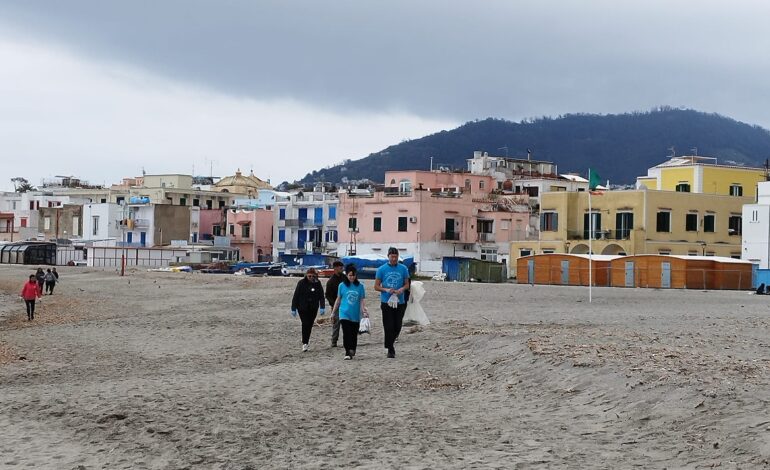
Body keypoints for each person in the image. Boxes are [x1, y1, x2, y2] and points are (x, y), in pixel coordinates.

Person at [374, 247, 410, 358]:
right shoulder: (381, 269)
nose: (394, 259)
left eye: (396, 257)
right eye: (392, 256)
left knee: (397, 325)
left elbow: (407, 284)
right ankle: (390, 348)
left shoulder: (403, 268)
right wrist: (386, 290)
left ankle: (390, 342)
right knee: (388, 325)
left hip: (400, 301)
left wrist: (402, 289)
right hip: (386, 301)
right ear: (388, 256)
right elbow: (376, 286)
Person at [331, 264, 367, 360]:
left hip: (355, 314)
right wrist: (333, 312)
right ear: (346, 275)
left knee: (353, 333)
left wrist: (364, 311)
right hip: (344, 313)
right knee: (346, 332)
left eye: (353, 275)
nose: (352, 277)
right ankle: (347, 351)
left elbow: (362, 300)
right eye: (350, 275)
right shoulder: (342, 286)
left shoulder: (360, 286)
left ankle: (352, 349)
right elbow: (338, 299)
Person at [291, 268, 326, 352]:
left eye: (312, 276)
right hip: (302, 307)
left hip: (313, 307)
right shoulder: (301, 283)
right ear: (306, 275)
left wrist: (322, 306)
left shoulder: (317, 283)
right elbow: (296, 296)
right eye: (309, 276)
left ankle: (306, 340)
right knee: (305, 323)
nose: (311, 278)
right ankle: (305, 343)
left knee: (310, 325)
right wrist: (293, 308)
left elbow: (321, 295)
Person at [325, 260, 345, 347]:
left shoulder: (344, 278)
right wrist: (333, 305)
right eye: (340, 268)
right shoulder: (331, 281)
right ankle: (334, 341)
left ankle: (346, 339)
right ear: (335, 268)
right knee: (336, 324)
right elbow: (328, 295)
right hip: (335, 305)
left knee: (346, 323)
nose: (342, 269)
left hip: (345, 304)